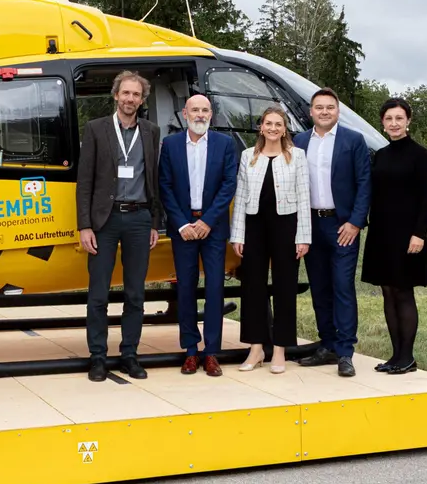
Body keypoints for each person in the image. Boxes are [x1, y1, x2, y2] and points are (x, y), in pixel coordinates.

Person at [75, 70, 162, 382]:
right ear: (116, 95)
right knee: (98, 293)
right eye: (126, 93)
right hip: (105, 220)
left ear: (142, 99)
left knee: (135, 293)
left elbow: (153, 178)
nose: (130, 99)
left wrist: (154, 222)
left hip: (139, 219)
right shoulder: (96, 129)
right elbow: (84, 181)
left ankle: (129, 355)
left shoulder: (151, 131)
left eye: (136, 94)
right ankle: (98, 357)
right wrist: (85, 225)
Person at [293, 88, 372, 377]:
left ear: (337, 111)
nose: (324, 112)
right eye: (319, 107)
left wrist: (355, 222)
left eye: (330, 107)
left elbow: (364, 183)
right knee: (320, 287)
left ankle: (345, 352)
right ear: (311, 111)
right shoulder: (299, 141)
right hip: (310, 225)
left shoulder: (353, 140)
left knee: (342, 287)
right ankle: (327, 345)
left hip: (342, 226)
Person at [157, 93, 237, 377]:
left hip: (212, 228)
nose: (200, 115)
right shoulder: (171, 145)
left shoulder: (224, 144)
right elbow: (164, 185)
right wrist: (181, 224)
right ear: (185, 113)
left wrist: (207, 221)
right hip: (183, 229)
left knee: (215, 289)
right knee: (186, 289)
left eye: (205, 110)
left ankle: (211, 352)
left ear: (211, 114)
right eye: (195, 110)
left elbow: (229, 184)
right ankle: (190, 351)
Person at [229, 106, 311, 374]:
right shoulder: (248, 156)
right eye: (268, 123)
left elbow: (304, 197)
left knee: (285, 287)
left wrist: (303, 237)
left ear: (284, 129)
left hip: (286, 226)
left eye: (278, 124)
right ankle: (256, 349)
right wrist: (238, 234)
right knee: (252, 287)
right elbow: (241, 196)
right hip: (254, 226)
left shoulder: (297, 156)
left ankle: (279, 350)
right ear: (261, 127)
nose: (273, 128)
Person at [361, 97, 427, 375]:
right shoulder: (380, 155)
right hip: (381, 233)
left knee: (403, 292)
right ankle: (395, 356)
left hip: (407, 235)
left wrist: (419, 233)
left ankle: (407, 357)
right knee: (387, 292)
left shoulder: (420, 155)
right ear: (382, 123)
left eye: (399, 118)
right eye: (389, 119)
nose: (394, 123)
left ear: (408, 121)